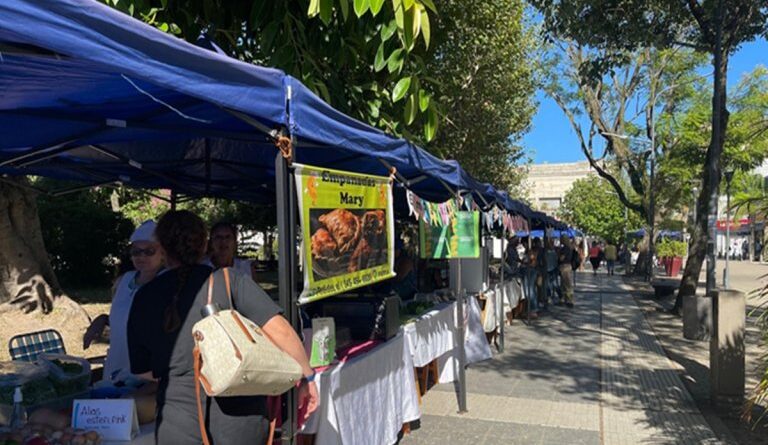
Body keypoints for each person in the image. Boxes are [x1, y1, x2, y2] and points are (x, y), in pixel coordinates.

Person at [127, 210, 318, 445]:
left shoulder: (144, 297)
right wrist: (308, 377)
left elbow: (142, 370)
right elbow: (281, 331)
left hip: (176, 420)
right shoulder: (229, 280)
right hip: (238, 417)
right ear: (204, 244)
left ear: (163, 248)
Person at [84, 220, 164, 383]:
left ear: (163, 253)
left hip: (148, 370)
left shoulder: (167, 282)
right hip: (116, 362)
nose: (142, 256)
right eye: (136, 251)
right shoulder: (124, 280)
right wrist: (103, 319)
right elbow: (124, 317)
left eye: (149, 251)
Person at [558, 236, 575, 308]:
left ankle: (569, 300)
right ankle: (564, 299)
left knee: (567, 284)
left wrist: (558, 255)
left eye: (561, 239)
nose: (560, 240)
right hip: (568, 265)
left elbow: (561, 258)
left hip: (565, 266)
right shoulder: (569, 248)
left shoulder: (565, 248)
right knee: (564, 283)